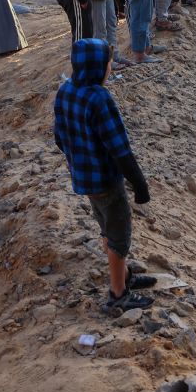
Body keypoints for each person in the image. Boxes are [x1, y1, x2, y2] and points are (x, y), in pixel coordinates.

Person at [54, 38, 156, 315]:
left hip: (84, 178)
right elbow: (120, 150)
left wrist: (77, 157)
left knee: (106, 228)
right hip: (107, 181)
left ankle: (123, 276)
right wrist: (139, 183)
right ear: (99, 67)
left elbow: (59, 137)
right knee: (119, 236)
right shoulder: (99, 99)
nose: (110, 67)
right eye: (109, 62)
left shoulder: (65, 91)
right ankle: (117, 293)